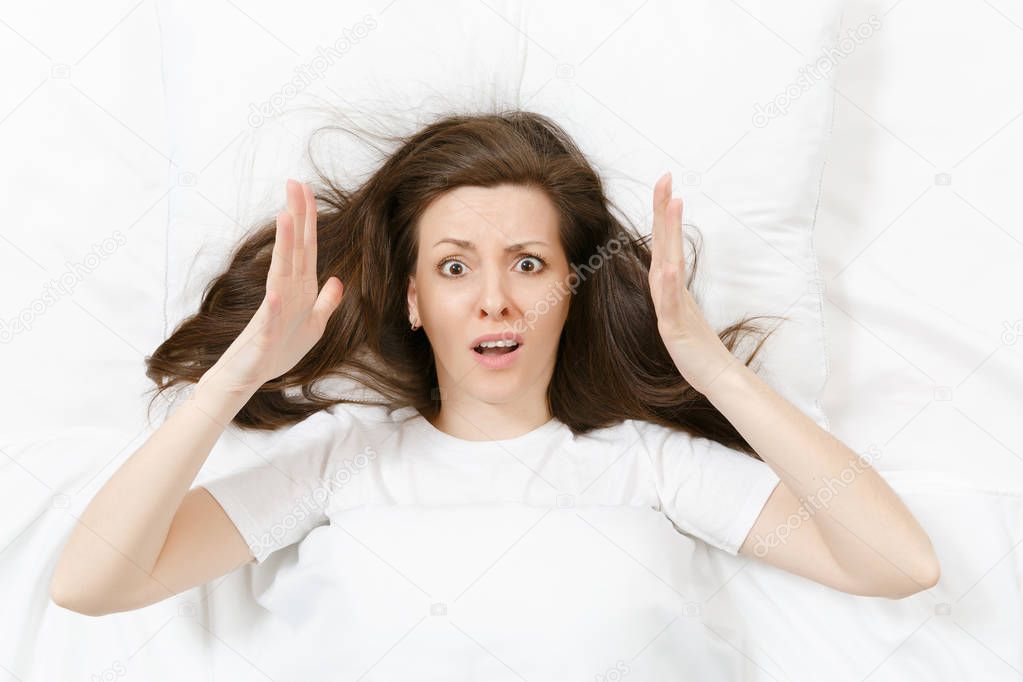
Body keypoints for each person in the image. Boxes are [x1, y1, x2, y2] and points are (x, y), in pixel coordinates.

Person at [49, 110, 939, 620]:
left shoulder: (648, 465)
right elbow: (93, 582)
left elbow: (896, 563)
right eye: (452, 266)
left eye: (527, 262)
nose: (492, 301)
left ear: (573, 287)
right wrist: (236, 377)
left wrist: (717, 375)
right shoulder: (341, 461)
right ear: (410, 301)